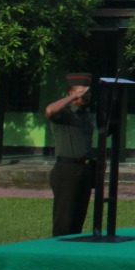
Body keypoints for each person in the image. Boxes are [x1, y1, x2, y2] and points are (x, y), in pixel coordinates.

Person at [44, 72, 96, 236]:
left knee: (78, 219)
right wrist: (73, 98)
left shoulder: (86, 114)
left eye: (88, 92)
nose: (86, 95)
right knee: (64, 220)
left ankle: (73, 247)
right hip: (67, 170)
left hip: (85, 169)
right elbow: (50, 110)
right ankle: (59, 249)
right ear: (71, 93)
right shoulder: (64, 113)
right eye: (82, 92)